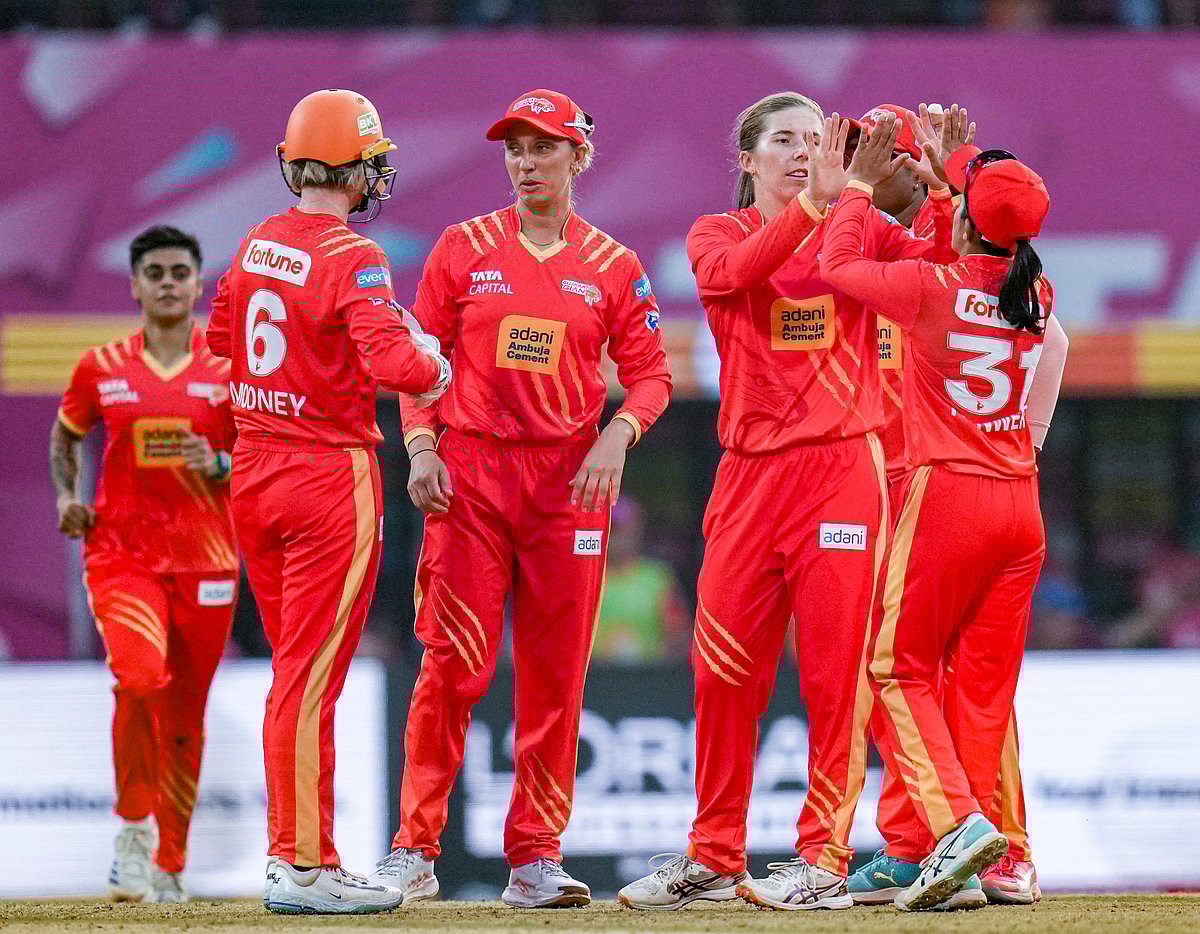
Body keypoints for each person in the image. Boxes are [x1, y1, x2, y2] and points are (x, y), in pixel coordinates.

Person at [619, 91, 954, 913]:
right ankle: (713, 855)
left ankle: (823, 858)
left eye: (816, 138)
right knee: (721, 671)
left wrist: (943, 192)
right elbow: (739, 275)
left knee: (838, 675)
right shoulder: (718, 233)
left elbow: (943, 271)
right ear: (747, 159)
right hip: (747, 478)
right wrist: (823, 201)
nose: (804, 151)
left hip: (842, 467)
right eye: (784, 140)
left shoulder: (858, 227)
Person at [370, 88, 671, 909]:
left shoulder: (612, 265)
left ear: (580, 156)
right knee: (452, 665)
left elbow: (651, 375)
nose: (526, 163)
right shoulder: (462, 248)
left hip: (569, 487)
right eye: (515, 149)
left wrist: (618, 436)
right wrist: (423, 446)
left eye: (544, 148)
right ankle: (415, 850)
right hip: (469, 478)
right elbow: (414, 361)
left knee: (554, 679)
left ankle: (535, 860)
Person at [205, 88, 450, 914]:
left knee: (296, 678)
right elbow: (396, 366)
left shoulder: (255, 240)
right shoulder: (355, 257)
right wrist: (434, 361)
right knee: (310, 683)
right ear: (357, 169)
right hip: (325, 477)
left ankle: (307, 855)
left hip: (256, 472)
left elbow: (216, 346)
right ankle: (301, 866)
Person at [818, 112, 1057, 910]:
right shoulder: (1035, 287)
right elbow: (988, 226)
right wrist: (951, 175)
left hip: (945, 494)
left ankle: (956, 831)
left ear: (961, 215)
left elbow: (838, 261)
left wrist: (855, 188)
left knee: (896, 667)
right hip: (1020, 504)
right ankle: (996, 857)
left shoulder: (932, 286)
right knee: (982, 689)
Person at [50, 225, 237, 904]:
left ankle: (169, 862)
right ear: (134, 285)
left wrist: (217, 463)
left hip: (208, 563)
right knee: (137, 675)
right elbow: (66, 435)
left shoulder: (229, 370)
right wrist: (69, 496)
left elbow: (263, 455)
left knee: (185, 716)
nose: (166, 282)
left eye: (178, 272)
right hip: (121, 554)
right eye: (153, 272)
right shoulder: (101, 365)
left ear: (196, 283)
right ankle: (132, 834)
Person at [592, 496, 689, 663]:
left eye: (621, 528)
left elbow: (679, 634)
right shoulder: (589, 579)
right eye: (610, 527)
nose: (615, 535)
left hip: (648, 680)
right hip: (595, 681)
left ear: (637, 529)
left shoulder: (657, 578)